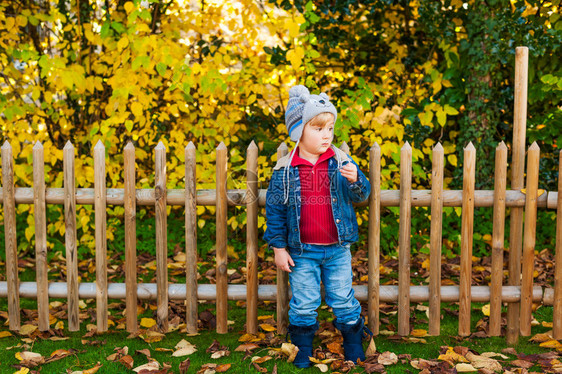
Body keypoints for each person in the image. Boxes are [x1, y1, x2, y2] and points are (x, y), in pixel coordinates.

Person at [264, 85, 372, 368]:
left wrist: (355, 180)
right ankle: (302, 347)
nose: (326, 135)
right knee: (304, 301)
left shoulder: (340, 163)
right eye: (318, 128)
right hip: (301, 251)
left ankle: (352, 342)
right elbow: (274, 211)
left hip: (337, 250)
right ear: (298, 132)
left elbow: (362, 196)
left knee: (343, 298)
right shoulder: (284, 170)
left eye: (330, 128)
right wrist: (278, 247)